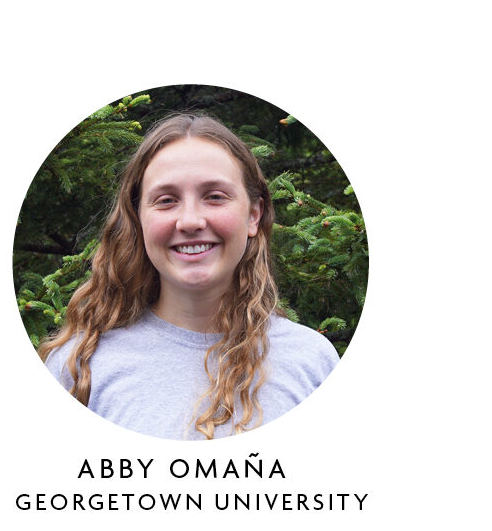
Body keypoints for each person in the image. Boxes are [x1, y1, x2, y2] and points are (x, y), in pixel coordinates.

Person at [41, 113, 338, 440]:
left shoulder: (312, 363)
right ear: (138, 219)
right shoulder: (78, 368)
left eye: (214, 196)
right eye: (166, 200)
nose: (190, 221)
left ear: (253, 215)